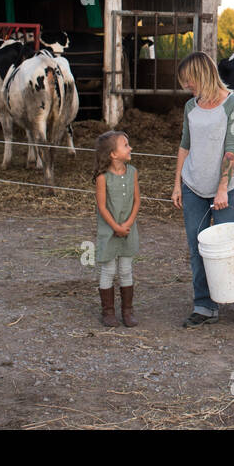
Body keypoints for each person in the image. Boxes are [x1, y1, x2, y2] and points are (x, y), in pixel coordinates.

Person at [172, 50, 234, 327]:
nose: (187, 86)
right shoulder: (191, 107)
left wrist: (222, 189)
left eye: (189, 80)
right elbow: (185, 145)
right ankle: (204, 305)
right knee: (197, 247)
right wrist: (177, 185)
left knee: (230, 246)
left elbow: (231, 149)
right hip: (193, 186)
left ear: (201, 75)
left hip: (225, 189)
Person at [94, 130, 140, 327]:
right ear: (113, 154)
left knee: (126, 269)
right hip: (109, 231)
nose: (130, 148)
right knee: (108, 269)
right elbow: (102, 206)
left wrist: (127, 224)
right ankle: (108, 312)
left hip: (128, 230)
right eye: (125, 145)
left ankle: (127, 311)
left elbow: (137, 201)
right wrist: (115, 227)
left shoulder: (133, 173)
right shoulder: (102, 178)